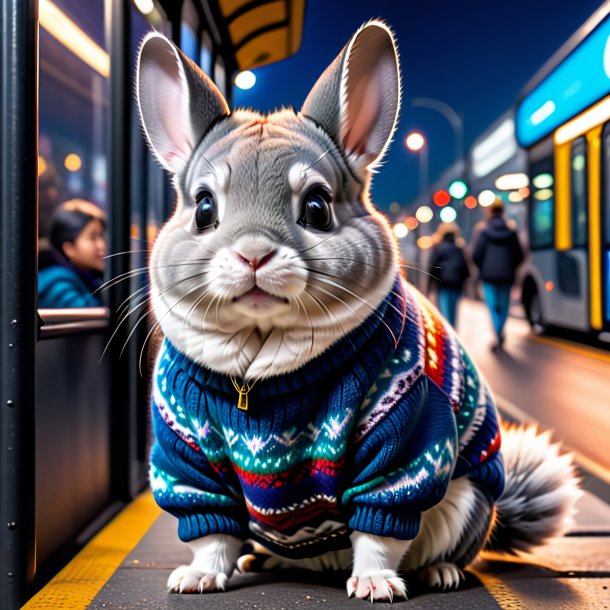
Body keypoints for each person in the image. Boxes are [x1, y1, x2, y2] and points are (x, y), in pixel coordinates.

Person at [473, 198, 524, 350]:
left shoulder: (483, 231)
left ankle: (497, 333)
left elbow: (476, 255)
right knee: (504, 305)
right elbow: (519, 255)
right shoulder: (511, 231)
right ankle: (500, 331)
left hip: (489, 276)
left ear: (489, 211)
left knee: (493, 305)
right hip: (507, 276)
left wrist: (482, 268)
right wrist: (511, 267)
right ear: (502, 211)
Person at [38, 199, 107, 308]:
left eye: (101, 236)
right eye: (92, 237)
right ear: (69, 248)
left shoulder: (89, 277)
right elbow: (87, 316)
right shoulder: (56, 282)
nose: (102, 245)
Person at [428, 223, 470, 328]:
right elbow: (465, 267)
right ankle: (453, 330)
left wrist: (429, 286)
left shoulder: (438, 248)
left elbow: (433, 267)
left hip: (443, 283)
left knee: (444, 309)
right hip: (456, 284)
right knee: (454, 309)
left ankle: (447, 332)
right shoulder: (458, 249)